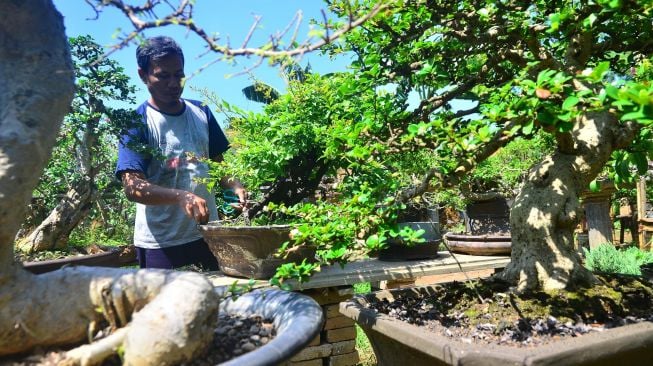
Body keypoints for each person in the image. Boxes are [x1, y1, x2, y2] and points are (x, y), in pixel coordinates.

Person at [115, 36, 246, 270]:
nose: (174, 83)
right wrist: (180, 196)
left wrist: (235, 187)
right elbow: (132, 187)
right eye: (163, 75)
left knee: (213, 300)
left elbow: (219, 166)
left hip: (208, 235)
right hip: (160, 243)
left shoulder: (201, 112)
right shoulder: (137, 123)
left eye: (179, 74)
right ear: (143, 75)